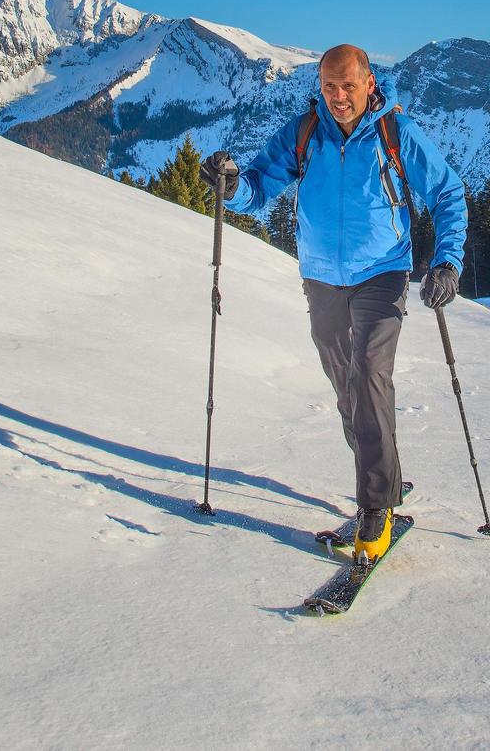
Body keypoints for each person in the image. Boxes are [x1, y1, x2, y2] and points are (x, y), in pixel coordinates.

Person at [200, 44, 467, 563]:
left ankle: (375, 505)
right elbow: (258, 187)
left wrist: (447, 261)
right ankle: (383, 475)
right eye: (329, 86)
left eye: (348, 86)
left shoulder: (396, 134)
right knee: (348, 387)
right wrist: (231, 185)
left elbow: (449, 193)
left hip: (384, 272)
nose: (339, 97)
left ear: (370, 83)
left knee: (369, 371)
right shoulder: (304, 133)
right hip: (321, 277)